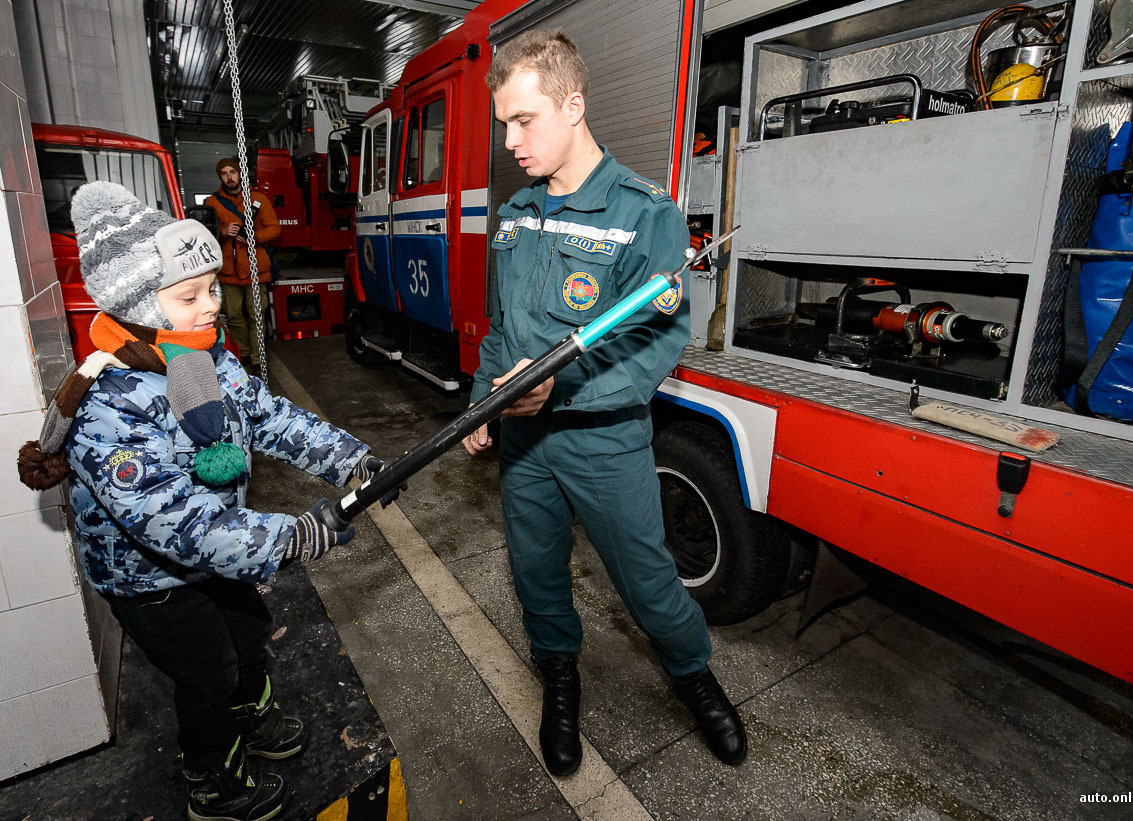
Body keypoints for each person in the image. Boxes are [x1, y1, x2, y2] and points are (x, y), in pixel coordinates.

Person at [17, 181, 394, 821]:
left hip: (210, 559)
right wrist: (293, 535)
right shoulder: (112, 405)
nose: (212, 305)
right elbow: (174, 524)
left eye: (213, 289)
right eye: (189, 296)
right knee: (208, 673)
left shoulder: (203, 358)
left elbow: (269, 417)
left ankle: (251, 717)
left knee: (248, 634)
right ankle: (212, 784)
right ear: (140, 304)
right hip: (150, 579)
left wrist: (350, 458)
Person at [462, 29, 747, 776]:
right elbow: (504, 330)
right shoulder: (516, 214)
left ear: (574, 104)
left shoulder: (644, 212)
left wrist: (564, 386)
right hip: (526, 445)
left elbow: (655, 343)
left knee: (648, 582)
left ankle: (692, 674)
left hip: (605, 439)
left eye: (524, 121)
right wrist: (479, 405)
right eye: (504, 126)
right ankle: (560, 677)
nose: (512, 141)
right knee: (536, 575)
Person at [206, 158, 279, 370]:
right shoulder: (213, 202)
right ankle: (244, 354)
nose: (229, 177)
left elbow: (274, 228)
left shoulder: (258, 199)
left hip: (256, 269)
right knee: (234, 316)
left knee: (258, 314)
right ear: (220, 177)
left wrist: (253, 237)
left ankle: (257, 358)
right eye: (224, 173)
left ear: (240, 174)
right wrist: (222, 231)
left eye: (233, 172)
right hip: (229, 270)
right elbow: (204, 230)